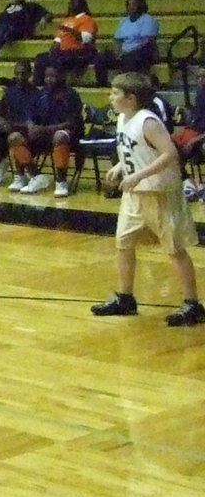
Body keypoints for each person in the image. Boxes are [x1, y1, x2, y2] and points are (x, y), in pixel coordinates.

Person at [91, 72, 203, 326]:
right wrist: (120, 166)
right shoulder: (123, 118)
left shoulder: (148, 121)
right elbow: (134, 147)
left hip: (160, 192)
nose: (110, 97)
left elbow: (169, 154)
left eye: (115, 93)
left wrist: (138, 175)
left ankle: (192, 304)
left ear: (130, 98)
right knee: (123, 242)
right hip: (136, 195)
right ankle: (125, 297)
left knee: (174, 249)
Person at [7, 65, 83, 197]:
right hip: (44, 134)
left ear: (61, 77)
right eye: (46, 76)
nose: (49, 79)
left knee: (59, 136)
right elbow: (30, 115)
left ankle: (61, 181)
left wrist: (44, 129)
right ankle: (36, 176)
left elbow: (71, 123)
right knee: (14, 137)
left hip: (68, 135)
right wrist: (31, 125)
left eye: (52, 76)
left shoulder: (71, 94)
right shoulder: (40, 94)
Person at [0, 59, 37, 188]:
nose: (20, 77)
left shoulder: (36, 94)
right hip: (9, 128)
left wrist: (14, 126)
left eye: (23, 73)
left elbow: (33, 121)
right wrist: (1, 120)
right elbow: (1, 113)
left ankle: (26, 175)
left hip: (26, 131)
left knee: (14, 137)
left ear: (29, 74)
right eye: (18, 73)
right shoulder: (9, 92)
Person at [94, 0, 159, 86]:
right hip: (124, 53)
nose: (131, 7)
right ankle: (102, 83)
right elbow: (117, 40)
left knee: (131, 58)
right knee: (101, 57)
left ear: (140, 5)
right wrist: (118, 52)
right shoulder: (124, 21)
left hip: (141, 51)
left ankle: (128, 86)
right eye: (129, 4)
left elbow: (147, 41)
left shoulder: (148, 19)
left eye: (134, 4)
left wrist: (128, 52)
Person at [32, 0, 97, 85]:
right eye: (71, 2)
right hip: (62, 52)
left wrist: (69, 30)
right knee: (41, 58)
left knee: (59, 59)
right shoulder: (66, 20)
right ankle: (38, 87)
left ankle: (58, 88)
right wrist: (52, 51)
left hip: (78, 52)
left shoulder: (87, 19)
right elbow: (58, 40)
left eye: (74, 2)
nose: (71, 4)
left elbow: (86, 38)